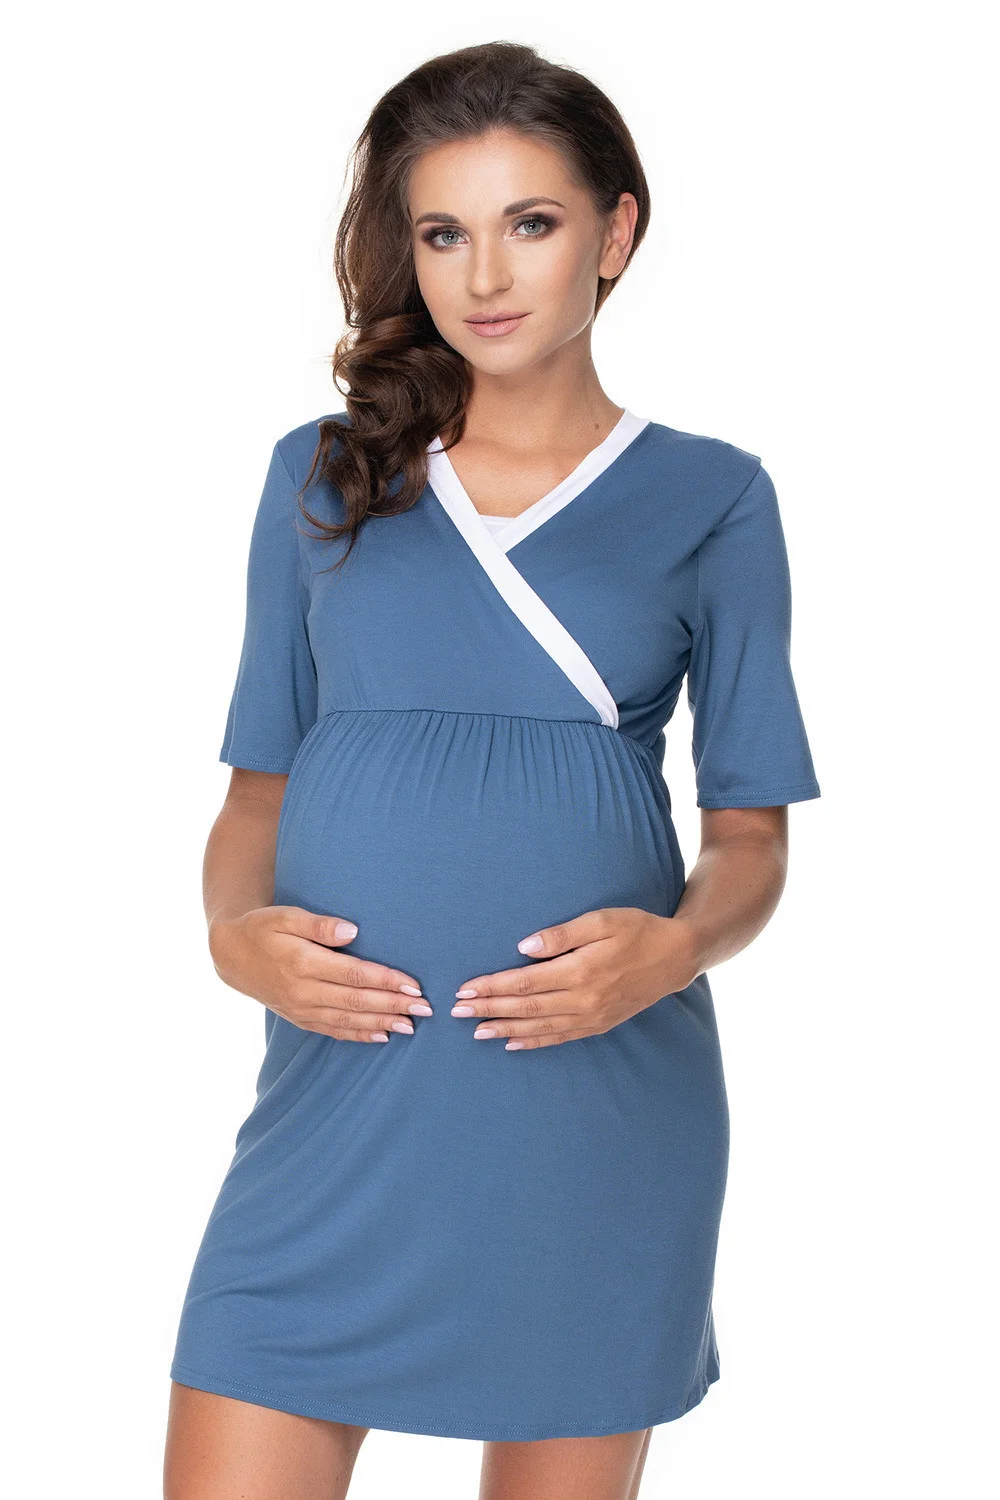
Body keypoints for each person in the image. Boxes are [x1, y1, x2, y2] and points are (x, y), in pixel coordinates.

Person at [163, 39, 821, 1500]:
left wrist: (670, 954)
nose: (486, 274)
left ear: (615, 234)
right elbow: (255, 798)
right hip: (337, 1107)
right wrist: (231, 936)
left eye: (531, 222)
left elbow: (752, 837)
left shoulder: (714, 496)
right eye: (443, 233)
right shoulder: (324, 476)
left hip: (587, 1105)